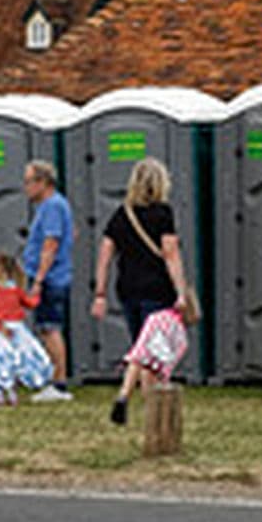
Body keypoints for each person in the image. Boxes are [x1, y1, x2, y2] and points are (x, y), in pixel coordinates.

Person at [88, 157, 189, 425]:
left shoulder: (121, 214)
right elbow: (171, 254)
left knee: (142, 348)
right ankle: (139, 405)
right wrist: (181, 291)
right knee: (150, 353)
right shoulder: (163, 214)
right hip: (157, 291)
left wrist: (100, 293)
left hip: (128, 289)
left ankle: (141, 406)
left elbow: (104, 255)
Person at [22, 160, 74, 402]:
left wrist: (39, 280)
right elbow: (72, 233)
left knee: (50, 329)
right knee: (47, 328)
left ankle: (59, 383)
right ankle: (54, 380)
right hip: (55, 276)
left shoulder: (52, 206)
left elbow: (50, 244)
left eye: (28, 181)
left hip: (51, 278)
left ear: (43, 182)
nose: (25, 188)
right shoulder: (55, 205)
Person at [0, 252, 54, 406]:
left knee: (19, 357)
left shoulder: (15, 291)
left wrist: (36, 294)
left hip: (17, 328)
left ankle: (13, 390)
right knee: (0, 357)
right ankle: (0, 391)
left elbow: (29, 303)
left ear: (3, 271)